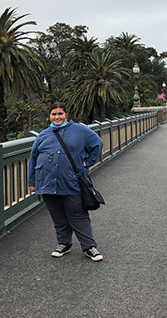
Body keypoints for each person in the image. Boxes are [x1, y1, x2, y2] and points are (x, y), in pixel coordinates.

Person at [28, 102, 104, 261]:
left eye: (60, 114)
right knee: (58, 215)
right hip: (47, 183)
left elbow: (97, 144)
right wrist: (32, 182)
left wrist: (87, 162)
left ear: (66, 115)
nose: (57, 117)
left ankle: (89, 246)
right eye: (54, 114)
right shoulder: (43, 134)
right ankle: (64, 243)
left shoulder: (80, 130)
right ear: (49, 116)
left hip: (71, 181)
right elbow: (33, 158)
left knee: (77, 214)